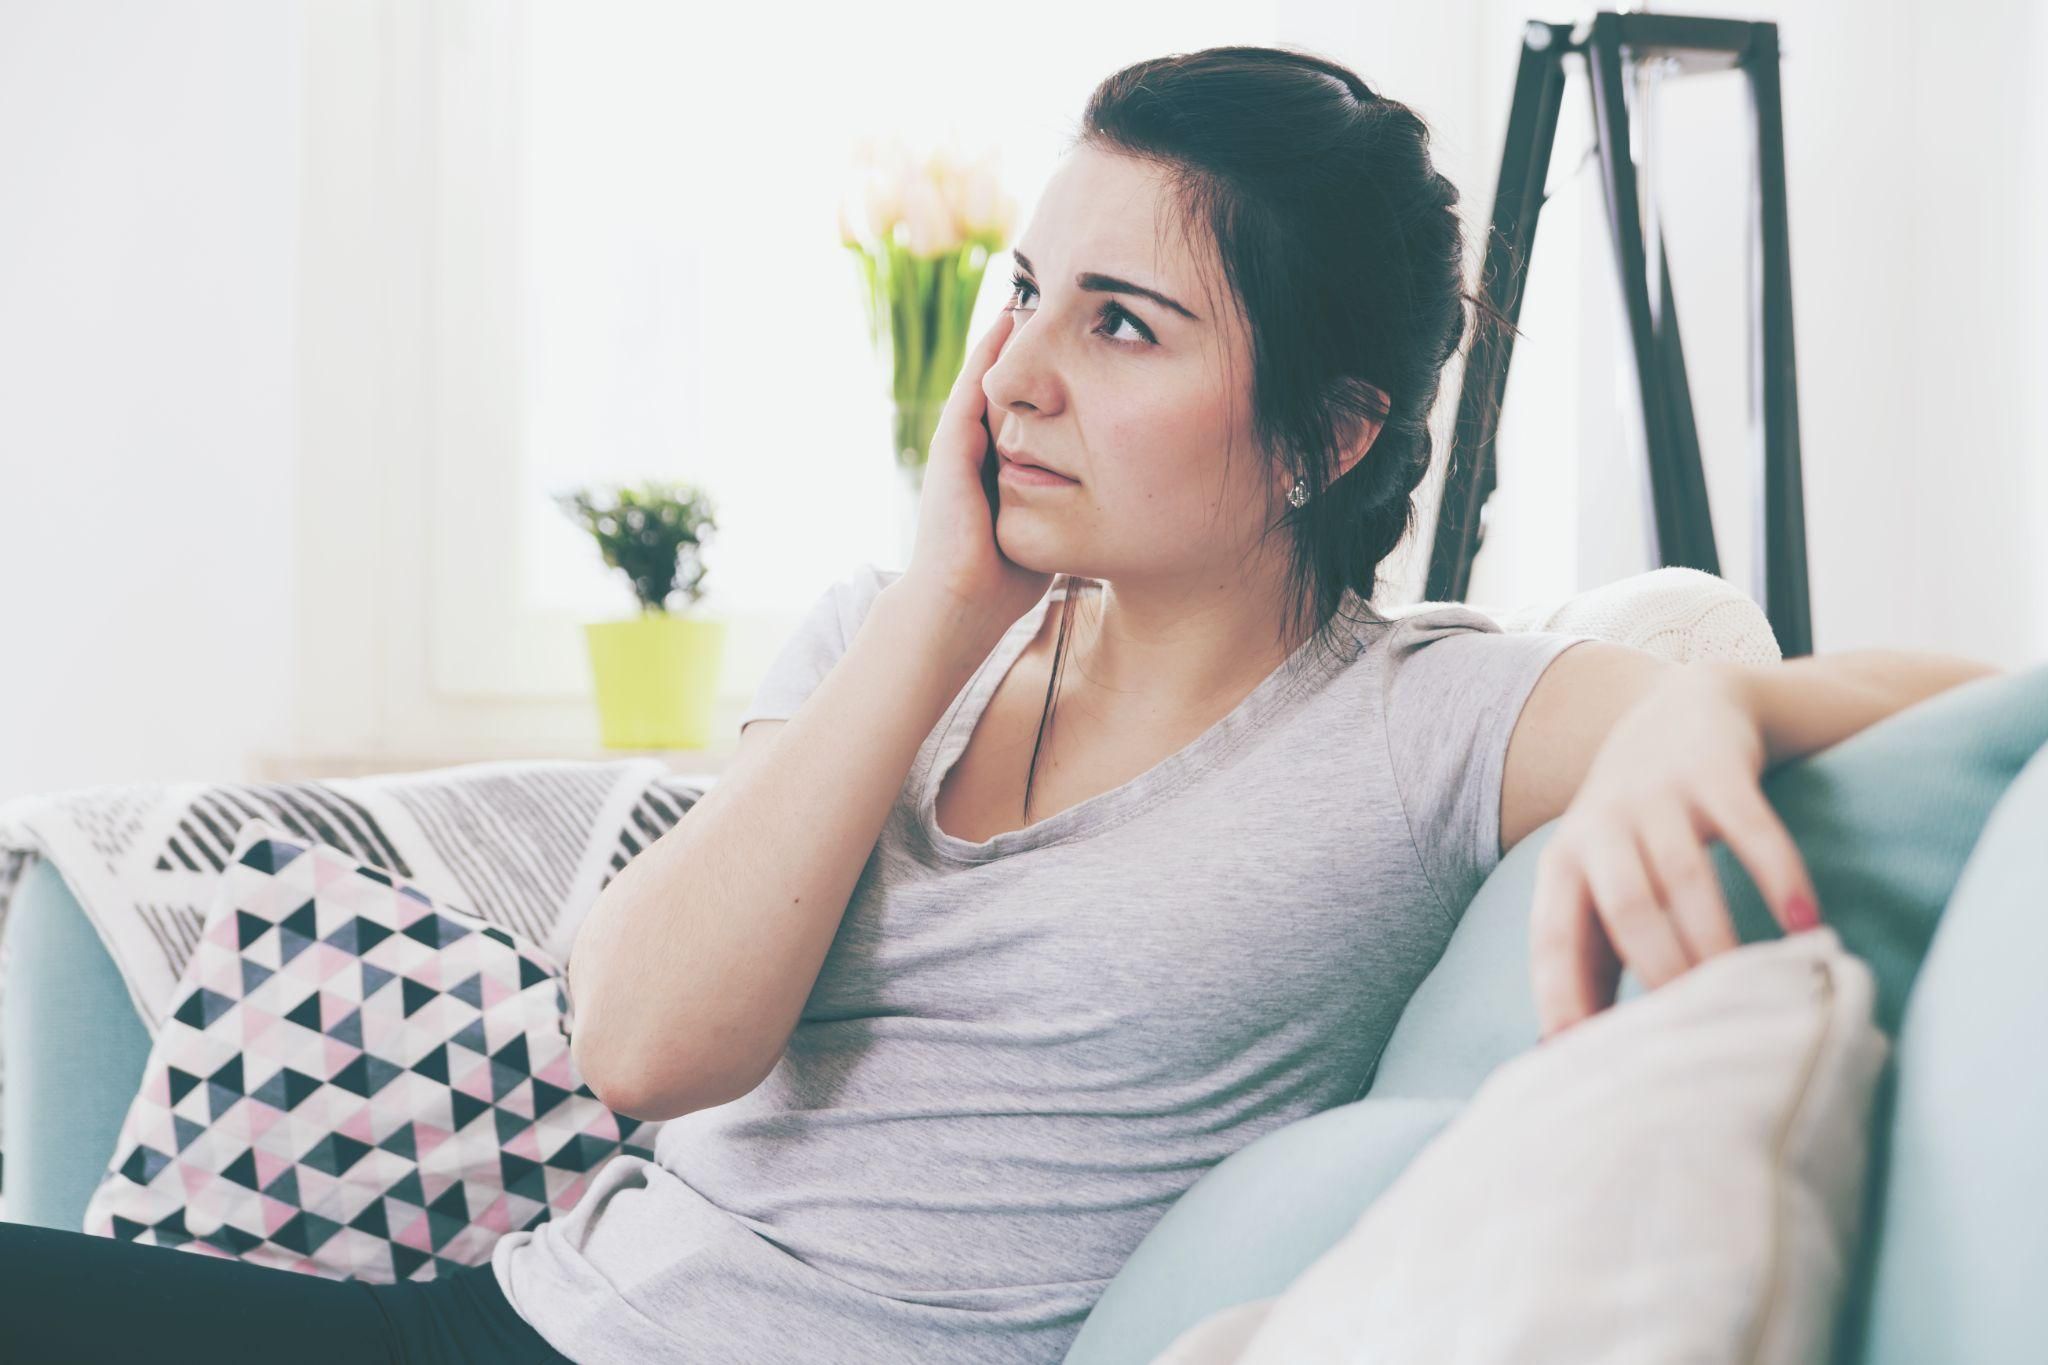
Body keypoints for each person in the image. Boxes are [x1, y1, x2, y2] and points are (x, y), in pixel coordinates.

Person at [11, 41, 1975, 1365]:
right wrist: (948, 602)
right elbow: (646, 1035)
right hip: (543, 1314)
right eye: (1028, 289)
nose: (1014, 369)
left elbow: (1940, 692)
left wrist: (1703, 715)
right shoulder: (895, 630)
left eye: (1121, 324)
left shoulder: (1416, 722)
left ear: (1325, 431)